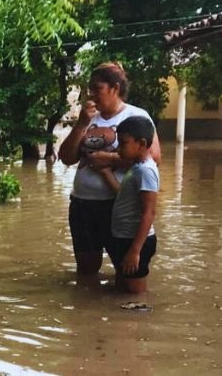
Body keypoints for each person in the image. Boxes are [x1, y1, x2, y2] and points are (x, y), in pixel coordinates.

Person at [58, 62, 161, 278]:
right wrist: (81, 124)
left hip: (117, 206)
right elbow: (66, 158)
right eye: (90, 88)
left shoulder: (136, 116)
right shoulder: (87, 118)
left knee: (124, 272)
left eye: (97, 88)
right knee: (86, 270)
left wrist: (109, 159)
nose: (91, 94)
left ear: (114, 88)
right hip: (83, 203)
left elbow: (154, 158)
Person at [98, 116, 159, 293]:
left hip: (135, 241)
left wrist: (135, 251)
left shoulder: (145, 171)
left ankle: (138, 321)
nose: (118, 149)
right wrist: (106, 173)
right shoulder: (137, 167)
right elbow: (124, 196)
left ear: (141, 143)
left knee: (135, 295)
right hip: (125, 238)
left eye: (123, 143)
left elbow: (149, 213)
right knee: (122, 289)